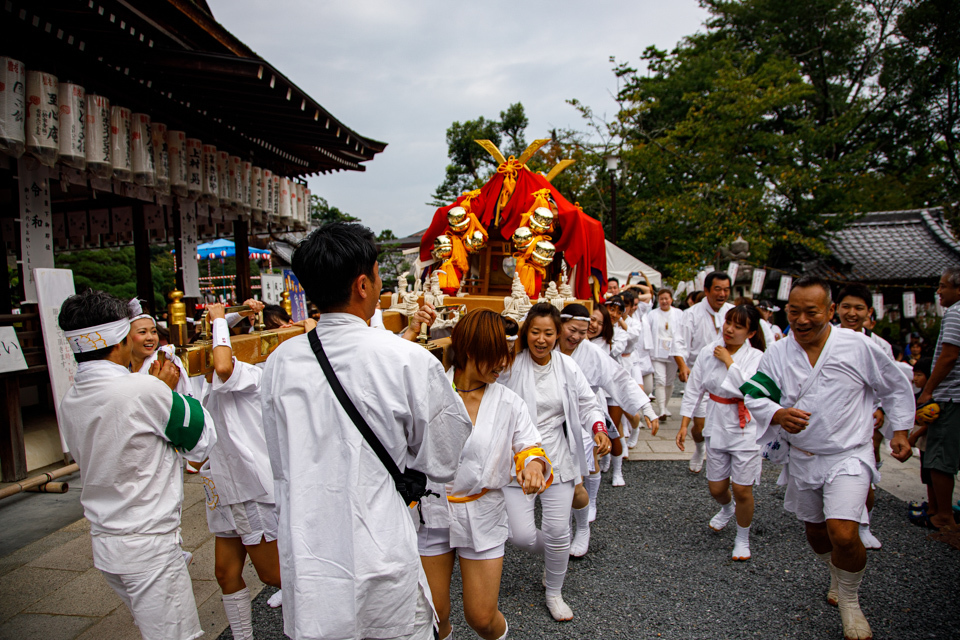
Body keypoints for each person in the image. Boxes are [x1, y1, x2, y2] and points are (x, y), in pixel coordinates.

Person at [261, 222, 473, 640]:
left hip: (309, 552)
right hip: (380, 545)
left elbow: (279, 455)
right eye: (377, 274)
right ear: (363, 284)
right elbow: (445, 455)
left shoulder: (280, 363)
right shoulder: (407, 360)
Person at [740, 276, 913, 640]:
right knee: (817, 532)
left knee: (844, 532)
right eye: (794, 311)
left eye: (811, 312)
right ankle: (837, 574)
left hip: (849, 454)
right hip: (804, 457)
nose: (801, 320)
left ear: (831, 311)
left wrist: (899, 430)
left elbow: (894, 386)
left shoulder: (857, 347)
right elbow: (755, 394)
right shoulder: (778, 352)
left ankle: (850, 600)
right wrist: (776, 413)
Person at [57, 289, 217, 640]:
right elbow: (202, 438)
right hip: (148, 546)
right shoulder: (143, 390)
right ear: (120, 340)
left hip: (106, 540)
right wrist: (171, 392)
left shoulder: (70, 399)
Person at [418, 309, 549, 640]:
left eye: (506, 355)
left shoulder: (508, 403)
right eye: (495, 355)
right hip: (431, 510)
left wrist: (532, 465)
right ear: (469, 348)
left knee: (481, 617)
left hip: (482, 512)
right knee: (434, 613)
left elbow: (530, 446)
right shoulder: (429, 391)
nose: (502, 364)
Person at [497, 303, 610, 622]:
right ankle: (557, 552)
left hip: (558, 458)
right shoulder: (511, 366)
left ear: (558, 334)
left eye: (548, 332)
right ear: (525, 333)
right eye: (535, 332)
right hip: (518, 457)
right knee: (520, 535)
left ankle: (554, 591)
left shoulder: (568, 367)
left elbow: (588, 403)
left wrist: (598, 428)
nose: (542, 339)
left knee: (558, 529)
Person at [199, 302, 282, 639]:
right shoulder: (203, 374)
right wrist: (234, 314)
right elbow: (212, 354)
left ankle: (323, 622)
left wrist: (221, 318)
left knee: (275, 575)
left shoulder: (252, 374)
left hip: (249, 488)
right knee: (225, 572)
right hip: (222, 486)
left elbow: (222, 366)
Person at [556, 304, 657, 555]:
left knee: (588, 465)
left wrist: (647, 409)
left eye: (583, 331)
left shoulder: (591, 352)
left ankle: (587, 511)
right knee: (560, 477)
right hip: (552, 417)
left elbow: (619, 378)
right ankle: (558, 528)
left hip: (586, 413)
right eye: (572, 330)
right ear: (559, 326)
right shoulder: (546, 348)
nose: (577, 337)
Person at [676, 305, 765, 560]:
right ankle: (727, 509)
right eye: (728, 322)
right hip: (716, 420)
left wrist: (729, 361)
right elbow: (694, 388)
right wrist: (684, 424)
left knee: (742, 489)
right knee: (716, 487)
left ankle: (742, 537)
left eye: (738, 326)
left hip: (745, 425)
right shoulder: (708, 351)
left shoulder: (757, 356)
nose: (729, 329)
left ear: (750, 333)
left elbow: (750, 389)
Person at [836, 283, 897, 549]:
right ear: (835, 309)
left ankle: (863, 524)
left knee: (864, 474)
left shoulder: (880, 345)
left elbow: (889, 384)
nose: (851, 313)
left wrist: (881, 409)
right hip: (832, 417)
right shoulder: (824, 338)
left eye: (858, 308)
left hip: (864, 417)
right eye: (846, 306)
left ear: (869, 312)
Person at [673, 272, 734, 472]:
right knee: (699, 427)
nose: (722, 293)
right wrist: (683, 366)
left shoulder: (733, 313)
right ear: (706, 290)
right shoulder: (691, 314)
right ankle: (699, 448)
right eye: (718, 289)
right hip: (700, 375)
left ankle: (727, 459)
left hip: (727, 373)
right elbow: (680, 343)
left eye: (726, 289)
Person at [916, 266, 960, 531]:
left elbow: (949, 355)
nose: (939, 291)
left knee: (940, 456)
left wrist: (929, 390)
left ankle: (942, 514)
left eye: (943, 286)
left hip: (951, 394)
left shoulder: (955, 313)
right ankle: (937, 508)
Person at [648, 288, 684, 421]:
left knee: (669, 381)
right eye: (661, 299)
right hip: (658, 351)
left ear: (671, 299)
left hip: (673, 352)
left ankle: (666, 405)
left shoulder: (679, 314)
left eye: (666, 298)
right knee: (660, 380)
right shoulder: (652, 314)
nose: (664, 301)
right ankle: (661, 408)